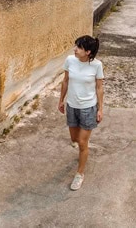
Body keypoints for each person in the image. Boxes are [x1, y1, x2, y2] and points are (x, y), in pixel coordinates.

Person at [58, 35, 104, 191]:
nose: (74, 49)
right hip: (72, 106)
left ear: (88, 52)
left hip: (88, 108)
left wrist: (100, 109)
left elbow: (99, 88)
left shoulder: (97, 66)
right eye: (75, 46)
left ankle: (79, 174)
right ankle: (82, 150)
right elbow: (65, 81)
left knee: (83, 143)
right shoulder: (70, 60)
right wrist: (61, 100)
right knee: (74, 139)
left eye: (78, 47)